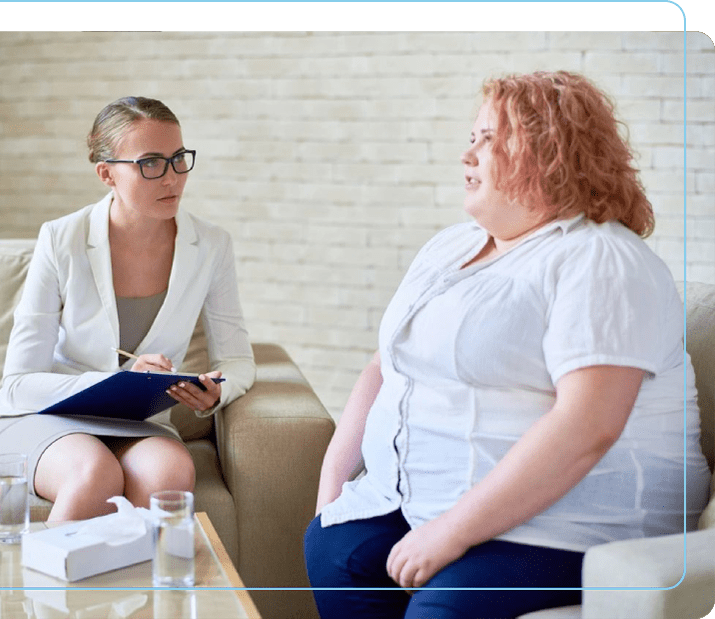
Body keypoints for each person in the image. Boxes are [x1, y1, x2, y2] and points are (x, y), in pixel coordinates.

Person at [304, 71, 711, 619]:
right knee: (334, 549)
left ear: (548, 152)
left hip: (575, 527)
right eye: (472, 138)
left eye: (488, 139)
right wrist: (333, 491)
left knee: (440, 612)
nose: (467, 155)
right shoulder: (450, 247)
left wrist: (450, 533)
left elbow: (587, 426)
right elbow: (385, 366)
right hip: (431, 502)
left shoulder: (601, 259)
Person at [0, 96, 255, 521]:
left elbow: (236, 360)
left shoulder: (212, 245)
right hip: (45, 416)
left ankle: (145, 591)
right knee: (94, 475)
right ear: (106, 173)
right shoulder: (60, 238)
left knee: (171, 475)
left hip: (140, 425)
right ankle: (38, 589)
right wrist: (117, 381)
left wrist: (216, 391)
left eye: (179, 159)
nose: (172, 178)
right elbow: (19, 382)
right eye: (151, 163)